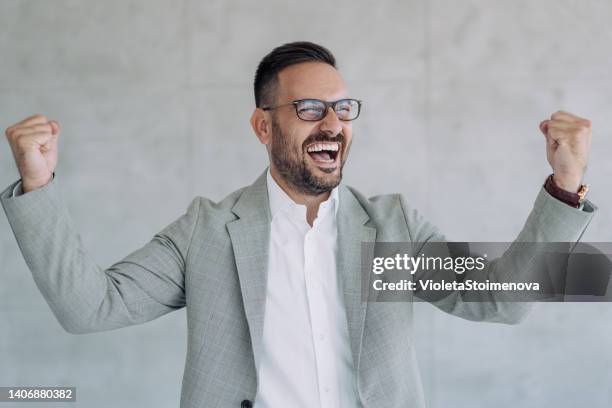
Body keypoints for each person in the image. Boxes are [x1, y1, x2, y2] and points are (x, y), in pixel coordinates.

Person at [1, 41, 597, 408]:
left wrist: (563, 186)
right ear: (264, 127)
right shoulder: (207, 232)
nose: (333, 123)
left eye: (342, 108)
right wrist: (37, 184)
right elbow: (90, 308)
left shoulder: (389, 227)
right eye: (310, 109)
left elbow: (499, 300)